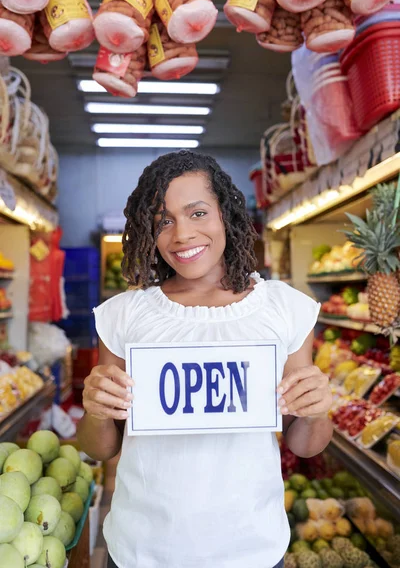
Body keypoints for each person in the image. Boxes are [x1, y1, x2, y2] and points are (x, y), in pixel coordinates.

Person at [77, 150, 333, 568]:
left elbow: (304, 444)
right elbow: (102, 447)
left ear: (225, 214)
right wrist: (95, 410)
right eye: (164, 220)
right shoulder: (124, 314)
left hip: (251, 548)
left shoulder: (284, 308)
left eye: (197, 213)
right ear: (150, 230)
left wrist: (319, 410)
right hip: (142, 550)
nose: (181, 235)